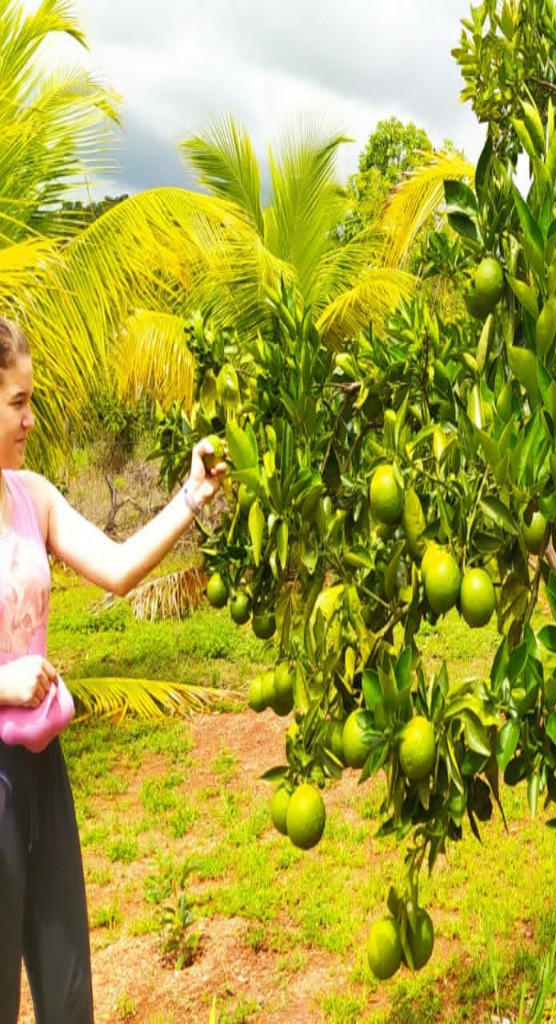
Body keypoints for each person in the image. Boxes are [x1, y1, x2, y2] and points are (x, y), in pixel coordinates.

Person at [0, 316, 226, 1024]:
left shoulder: (29, 497)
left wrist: (191, 496)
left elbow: (120, 570)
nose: (30, 418)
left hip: (43, 769)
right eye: (16, 402)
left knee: (68, 993)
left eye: (30, 399)